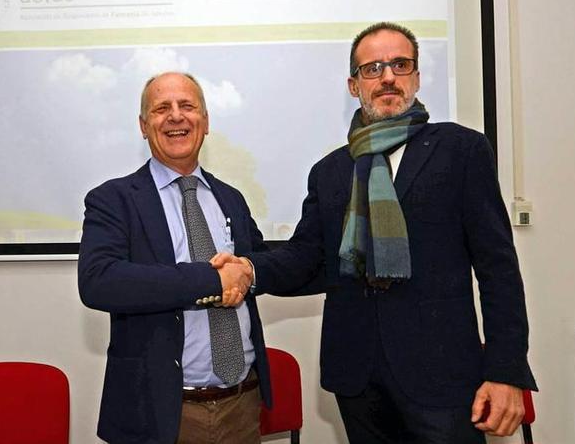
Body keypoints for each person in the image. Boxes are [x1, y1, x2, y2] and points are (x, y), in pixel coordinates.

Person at [213, 22, 537, 443]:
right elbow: (308, 259)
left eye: (400, 65)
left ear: (417, 77)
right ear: (354, 85)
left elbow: (499, 270)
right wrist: (249, 269)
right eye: (373, 68)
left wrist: (505, 370)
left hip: (442, 377)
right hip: (358, 375)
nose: (387, 77)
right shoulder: (330, 171)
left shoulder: (461, 151)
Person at [78, 72, 272, 444]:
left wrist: (248, 271)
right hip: (159, 415)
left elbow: (257, 267)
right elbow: (99, 281)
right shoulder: (113, 200)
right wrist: (212, 280)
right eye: (161, 108)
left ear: (206, 121)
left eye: (187, 106)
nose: (176, 116)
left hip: (242, 407)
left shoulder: (231, 198)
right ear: (143, 126)